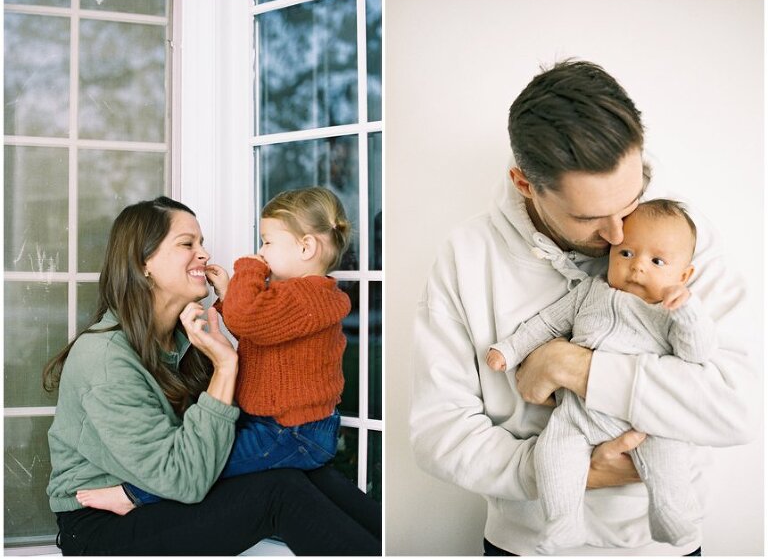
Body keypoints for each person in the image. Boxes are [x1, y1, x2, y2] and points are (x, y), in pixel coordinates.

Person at [410, 59, 756, 556]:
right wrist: (568, 472)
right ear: (525, 183)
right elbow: (437, 432)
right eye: (591, 217)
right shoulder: (467, 255)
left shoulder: (682, 239)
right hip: (527, 546)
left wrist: (578, 367)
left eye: (631, 200)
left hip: (660, 546)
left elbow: (740, 406)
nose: (620, 236)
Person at [44, 196, 381, 555]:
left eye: (201, 243)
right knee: (280, 491)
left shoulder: (183, 341)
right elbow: (181, 476)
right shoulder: (105, 359)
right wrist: (226, 366)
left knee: (310, 471)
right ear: (144, 263)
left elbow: (214, 443)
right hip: (103, 528)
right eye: (187, 244)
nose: (203, 254)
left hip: (168, 496)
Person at [486, 200, 714, 553]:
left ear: (683, 276)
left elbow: (696, 356)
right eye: (625, 253)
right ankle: (563, 521)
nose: (637, 266)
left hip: (646, 420)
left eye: (657, 262)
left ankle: (672, 516)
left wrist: (688, 312)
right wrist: (509, 349)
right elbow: (547, 323)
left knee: (669, 457)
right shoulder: (589, 292)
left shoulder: (668, 312)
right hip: (579, 415)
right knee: (552, 452)